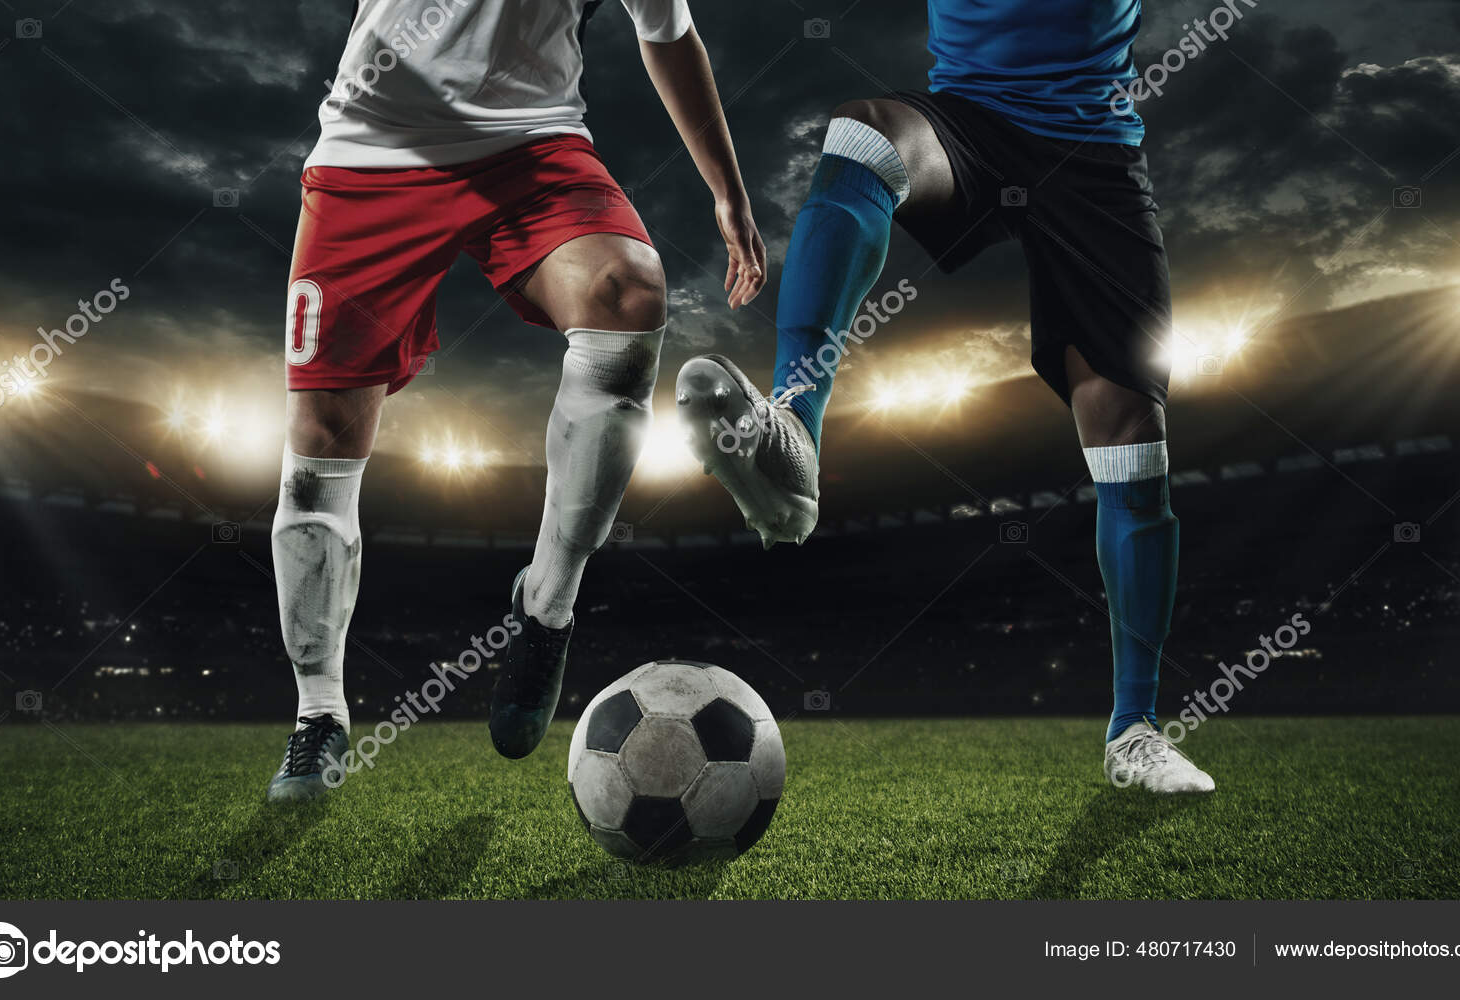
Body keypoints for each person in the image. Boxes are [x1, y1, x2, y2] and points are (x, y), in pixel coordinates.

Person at [675, 0, 1211, 793]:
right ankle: (795, 432)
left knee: (1133, 441)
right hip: (968, 122)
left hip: (1094, 154)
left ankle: (1134, 729)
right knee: (862, 136)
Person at [267, 0, 765, 801]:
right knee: (318, 446)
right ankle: (319, 711)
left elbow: (669, 33)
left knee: (627, 290)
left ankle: (548, 604)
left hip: (531, 147)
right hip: (372, 152)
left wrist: (728, 194)